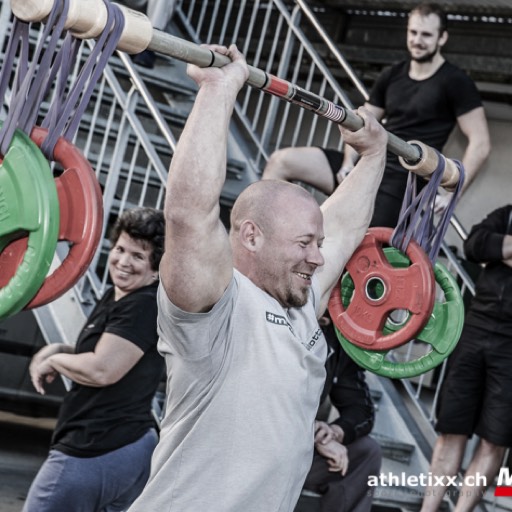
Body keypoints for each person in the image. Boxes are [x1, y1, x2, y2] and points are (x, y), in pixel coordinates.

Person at [128, 44, 388, 511]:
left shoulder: (302, 301)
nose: (317, 256)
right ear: (251, 236)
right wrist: (217, 89)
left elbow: (347, 227)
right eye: (304, 243)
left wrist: (373, 155)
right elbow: (189, 216)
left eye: (317, 242)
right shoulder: (215, 309)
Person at [262, 2, 491, 228]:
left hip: (402, 183)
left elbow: (480, 144)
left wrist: (454, 193)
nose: (417, 40)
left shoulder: (456, 81)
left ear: (442, 38)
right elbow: (360, 122)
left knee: (355, 239)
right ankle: (266, 238)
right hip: (367, 163)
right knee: (280, 162)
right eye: (413, 32)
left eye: (426, 35)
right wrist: (347, 162)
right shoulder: (392, 74)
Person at [23, 207, 166, 512]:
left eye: (138, 256)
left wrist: (55, 361)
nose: (123, 262)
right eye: (120, 249)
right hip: (124, 445)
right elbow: (109, 353)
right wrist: (59, 350)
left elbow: (102, 370)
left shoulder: (141, 306)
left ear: (155, 269)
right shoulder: (119, 295)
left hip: (96, 448)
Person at [420, 204, 512, 512]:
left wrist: (499, 249)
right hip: (476, 329)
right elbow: (475, 244)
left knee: (493, 439)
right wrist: (501, 248)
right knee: (452, 429)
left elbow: (488, 247)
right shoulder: (507, 214)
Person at [296, 312, 382, 512]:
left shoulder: (335, 337)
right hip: (256, 448)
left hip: (303, 448)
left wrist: (333, 433)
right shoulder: (272, 320)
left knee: (366, 452)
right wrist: (311, 432)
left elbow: (360, 408)